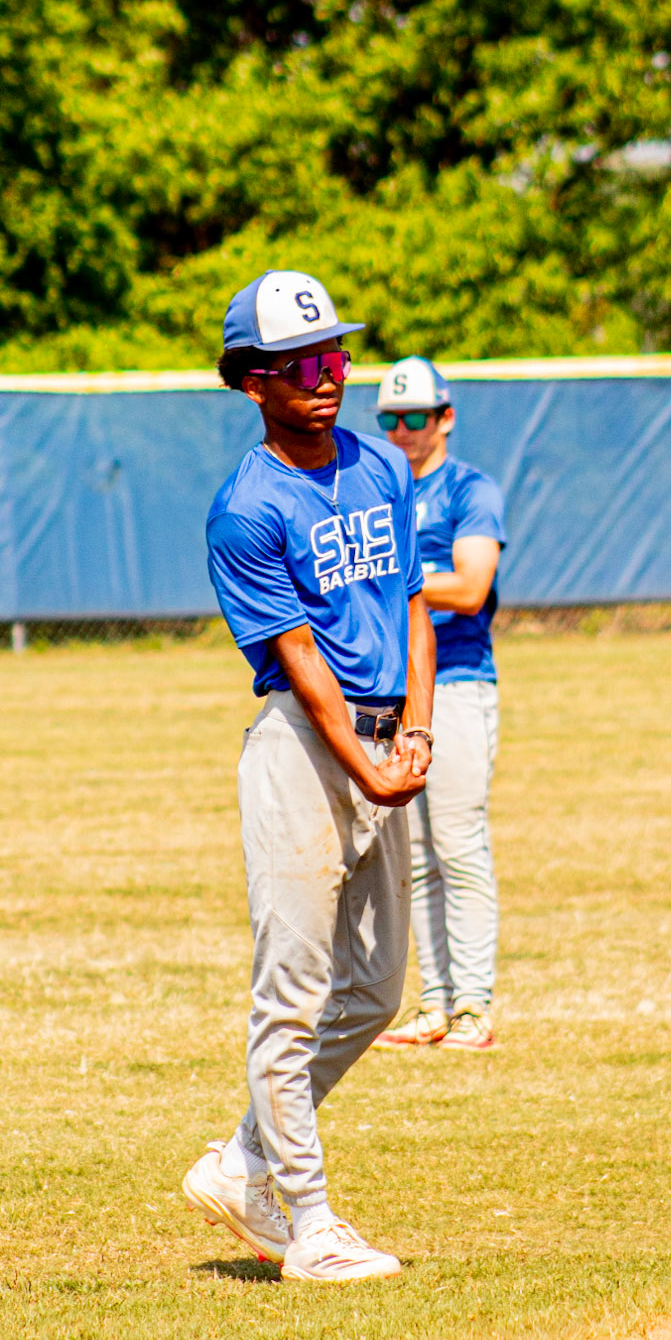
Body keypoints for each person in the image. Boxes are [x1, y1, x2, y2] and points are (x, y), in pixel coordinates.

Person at [182, 270, 436, 1282]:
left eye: (332, 354)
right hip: (303, 746)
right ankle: (312, 1221)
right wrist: (362, 765)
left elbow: (412, 604)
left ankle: (242, 1159)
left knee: (375, 991)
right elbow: (299, 658)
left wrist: (417, 729)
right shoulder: (245, 509)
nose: (324, 376)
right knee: (290, 993)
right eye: (297, 365)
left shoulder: (379, 465)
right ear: (251, 381)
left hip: (384, 730)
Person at [372, 358, 507, 1052]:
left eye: (415, 417)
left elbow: (471, 585)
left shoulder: (468, 489)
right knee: (415, 854)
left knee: (458, 843)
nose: (402, 430)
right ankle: (434, 1003)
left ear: (445, 417)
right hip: (394, 690)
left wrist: (392, 579)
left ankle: (474, 1005)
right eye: (389, 419)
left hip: (455, 678)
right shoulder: (374, 490)